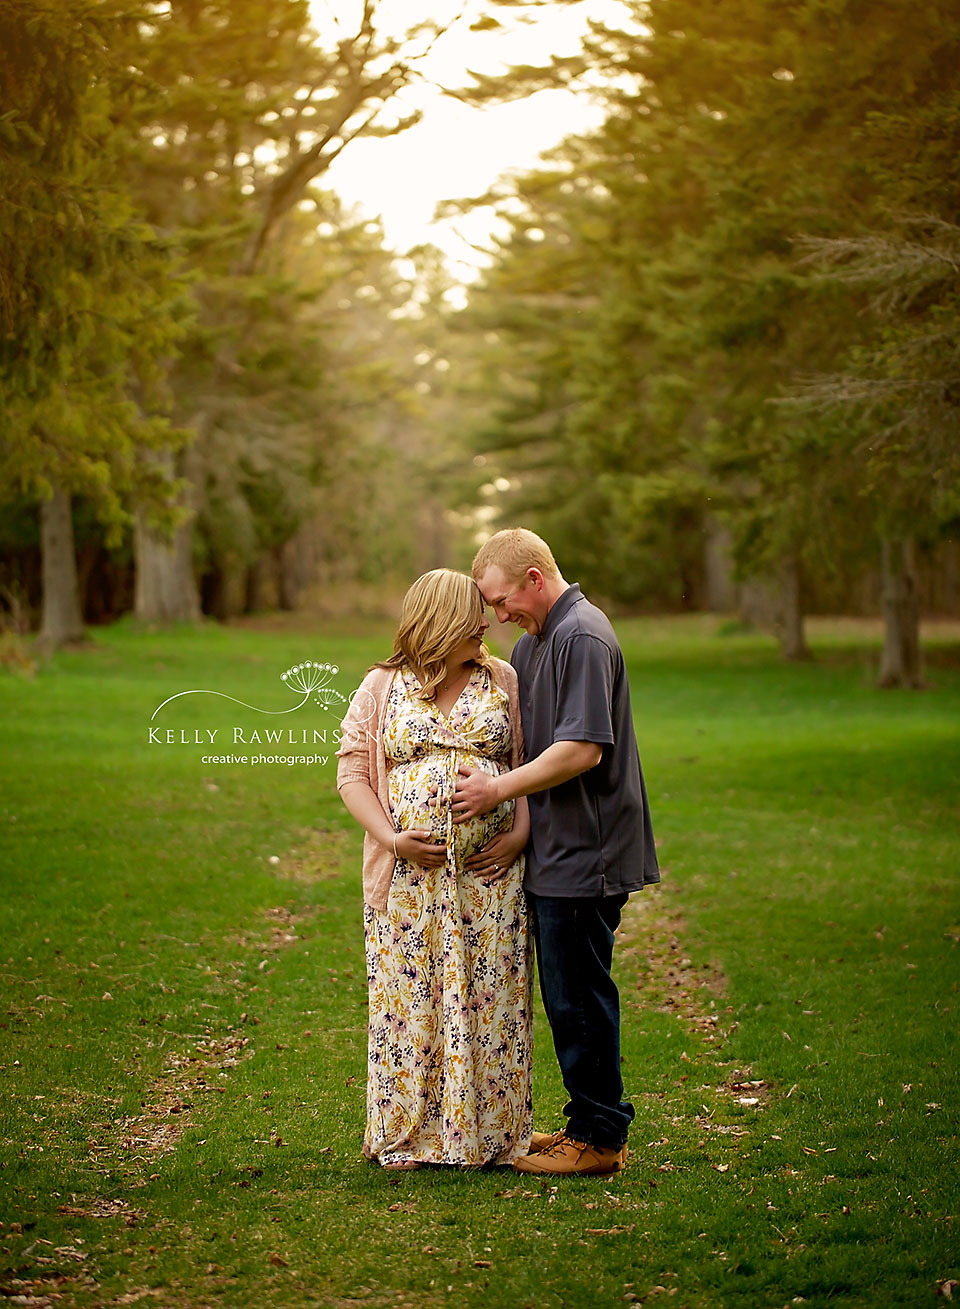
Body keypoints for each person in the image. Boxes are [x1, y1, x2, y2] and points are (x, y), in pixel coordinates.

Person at [451, 528, 660, 1178]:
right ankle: (583, 1121)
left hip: (589, 853)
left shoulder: (582, 635)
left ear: (534, 579)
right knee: (565, 995)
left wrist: (496, 792)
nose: (495, 613)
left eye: (499, 597)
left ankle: (601, 1137)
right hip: (556, 850)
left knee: (581, 996)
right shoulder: (533, 641)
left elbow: (581, 749)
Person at [335, 568, 532, 1170]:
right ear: (442, 623)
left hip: (486, 880)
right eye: (473, 618)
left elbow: (527, 766)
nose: (485, 626)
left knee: (489, 1005)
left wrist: (519, 834)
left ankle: (489, 1138)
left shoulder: (502, 679)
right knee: (409, 1007)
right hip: (408, 884)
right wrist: (393, 839)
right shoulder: (382, 686)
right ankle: (410, 1138)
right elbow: (352, 774)